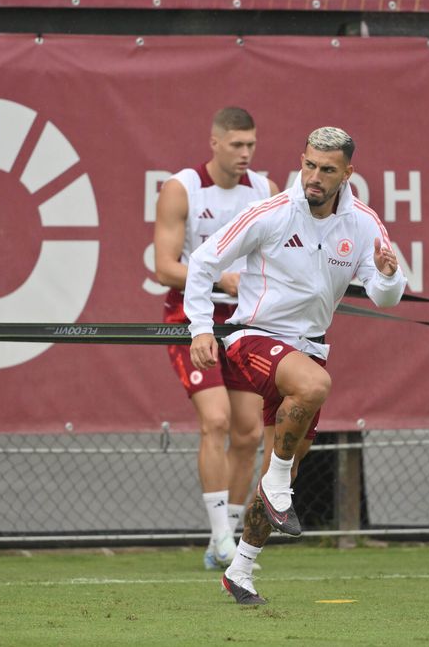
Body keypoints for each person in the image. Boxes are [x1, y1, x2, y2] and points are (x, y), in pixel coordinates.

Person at [185, 126, 407, 604]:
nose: (314, 176)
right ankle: (279, 485)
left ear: (348, 172)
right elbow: (203, 262)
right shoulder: (272, 212)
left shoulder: (364, 222)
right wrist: (201, 328)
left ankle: (240, 571)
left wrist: (388, 276)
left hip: (308, 348)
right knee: (314, 386)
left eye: (327, 169)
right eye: (309, 164)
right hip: (253, 339)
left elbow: (385, 294)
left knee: (283, 463)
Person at [154, 107, 279, 570]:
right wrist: (219, 279)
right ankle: (223, 537)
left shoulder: (266, 191)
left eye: (251, 145)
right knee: (217, 420)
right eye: (236, 144)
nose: (245, 153)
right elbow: (164, 267)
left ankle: (223, 539)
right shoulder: (181, 188)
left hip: (245, 321)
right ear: (214, 142)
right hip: (190, 315)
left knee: (248, 432)